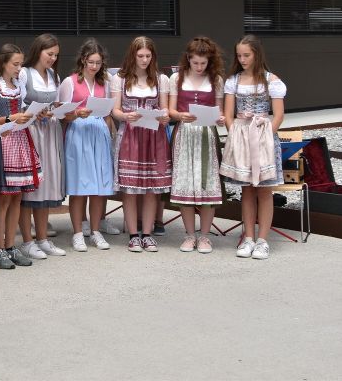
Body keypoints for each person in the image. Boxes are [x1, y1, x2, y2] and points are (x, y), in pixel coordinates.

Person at [220, 35, 286, 260]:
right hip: (241, 137)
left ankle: (263, 240)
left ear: (257, 54)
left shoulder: (271, 80)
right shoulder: (234, 81)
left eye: (246, 55)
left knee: (265, 190)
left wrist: (265, 136)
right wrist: (236, 135)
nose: (242, 59)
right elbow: (229, 115)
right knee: (246, 189)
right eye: (239, 55)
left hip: (263, 137)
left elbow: (278, 115)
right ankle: (248, 237)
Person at [111, 37, 172, 253]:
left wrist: (164, 117)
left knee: (151, 189)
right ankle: (133, 234)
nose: (144, 60)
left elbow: (165, 109)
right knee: (130, 189)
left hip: (154, 137)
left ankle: (147, 234)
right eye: (140, 56)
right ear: (132, 55)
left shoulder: (161, 79)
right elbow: (114, 110)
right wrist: (127, 116)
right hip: (130, 135)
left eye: (148, 56)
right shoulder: (120, 78)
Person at [0, 44, 39, 269]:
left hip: (20, 139)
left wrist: (32, 114)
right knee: (3, 197)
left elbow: (22, 112)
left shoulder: (18, 84)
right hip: (2, 142)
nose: (18, 68)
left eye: (20, 64)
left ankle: (11, 245)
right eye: (15, 64)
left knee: (17, 197)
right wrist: (9, 118)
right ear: (3, 62)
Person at [168, 37, 226, 254]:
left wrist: (219, 119)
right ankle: (190, 234)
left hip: (205, 135)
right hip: (184, 133)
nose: (200, 67)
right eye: (196, 63)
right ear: (188, 60)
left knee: (206, 183)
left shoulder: (216, 79)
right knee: (184, 182)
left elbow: (219, 112)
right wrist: (181, 115)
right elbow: (171, 110)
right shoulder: (176, 78)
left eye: (204, 63)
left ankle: (204, 236)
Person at [59, 39, 114, 252]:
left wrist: (110, 136)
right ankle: (77, 233)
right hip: (78, 133)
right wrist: (76, 113)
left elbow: (108, 112)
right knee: (79, 187)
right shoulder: (70, 82)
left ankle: (96, 230)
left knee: (99, 187)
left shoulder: (104, 83)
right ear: (83, 60)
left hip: (99, 133)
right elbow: (62, 114)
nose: (94, 66)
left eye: (98, 62)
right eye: (91, 62)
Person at [17, 33, 67, 259]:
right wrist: (33, 113)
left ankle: (43, 238)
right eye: (49, 54)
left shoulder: (53, 75)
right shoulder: (23, 74)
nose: (53, 58)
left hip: (50, 131)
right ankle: (27, 241)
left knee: (46, 184)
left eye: (56, 55)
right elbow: (16, 103)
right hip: (31, 131)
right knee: (31, 185)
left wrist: (57, 107)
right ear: (38, 51)